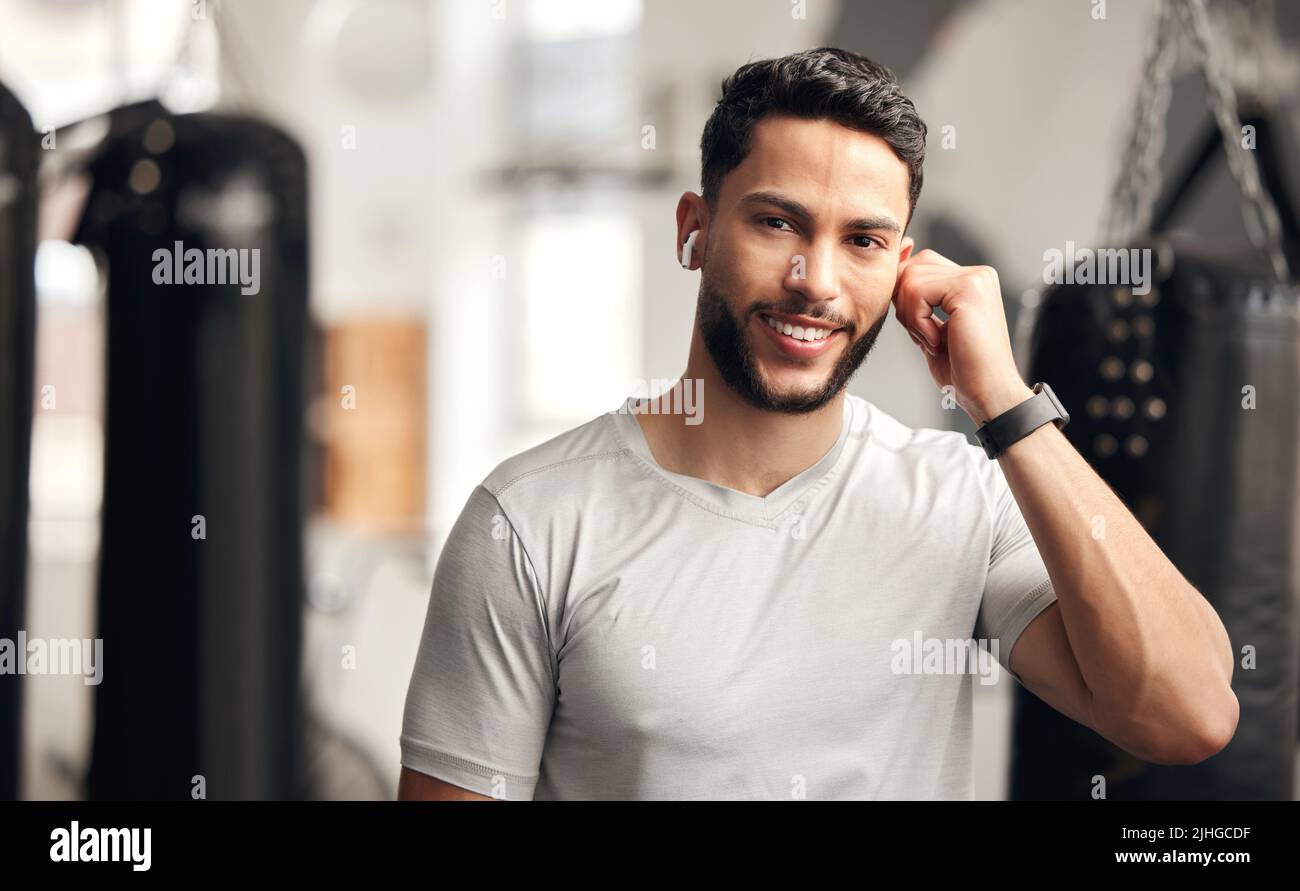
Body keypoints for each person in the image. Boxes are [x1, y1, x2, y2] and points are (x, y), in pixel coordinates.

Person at [397, 46, 1237, 801]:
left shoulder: (958, 502)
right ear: (694, 229)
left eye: (864, 240)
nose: (817, 282)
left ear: (904, 268)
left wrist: (1005, 403)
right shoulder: (530, 523)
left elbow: (1188, 714)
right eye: (777, 221)